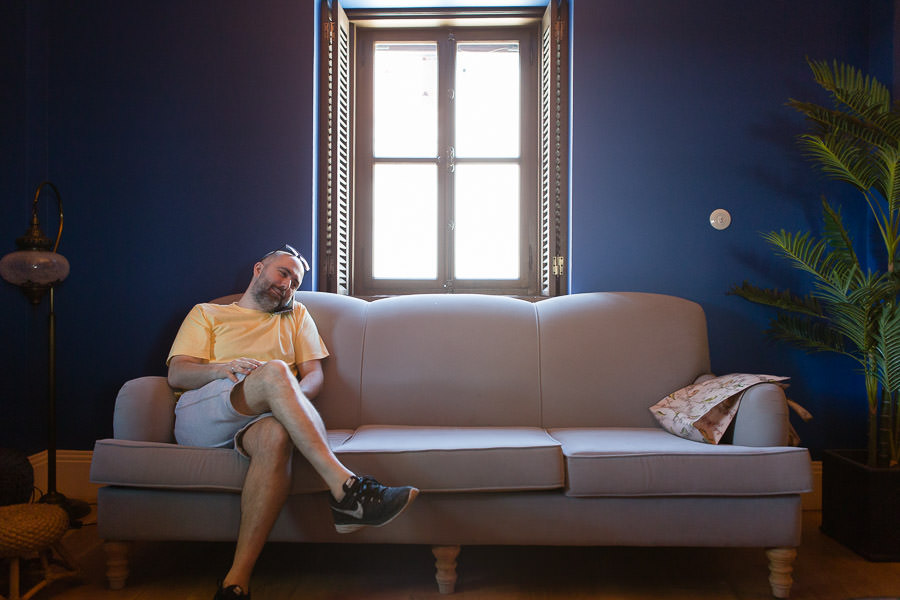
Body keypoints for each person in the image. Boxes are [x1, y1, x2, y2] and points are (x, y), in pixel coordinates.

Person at [166, 244, 418, 600]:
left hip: (262, 415)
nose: (287, 286)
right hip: (205, 411)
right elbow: (178, 373)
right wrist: (224, 368)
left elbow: (314, 375)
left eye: (295, 282)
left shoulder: (296, 315)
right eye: (283, 273)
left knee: (275, 435)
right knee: (276, 371)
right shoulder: (208, 313)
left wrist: (285, 395)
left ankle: (235, 582)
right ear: (258, 269)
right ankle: (347, 490)